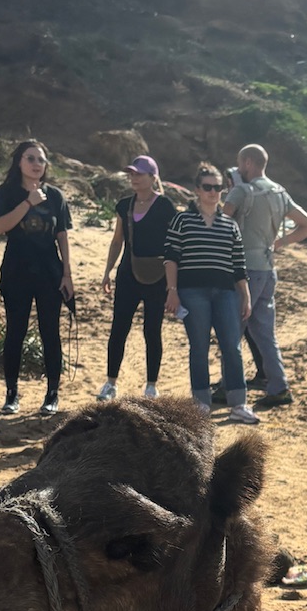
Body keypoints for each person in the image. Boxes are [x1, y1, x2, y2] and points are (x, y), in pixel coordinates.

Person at [223, 142, 307, 409]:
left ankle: (229, 385)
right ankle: (279, 387)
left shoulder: (241, 191)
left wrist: (233, 192)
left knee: (232, 331)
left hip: (243, 270)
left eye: (241, 163)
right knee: (264, 333)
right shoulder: (280, 191)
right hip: (267, 267)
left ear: (248, 163)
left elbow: (220, 223)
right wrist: (280, 243)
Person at [162, 168, 258, 423]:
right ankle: (200, 404)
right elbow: (171, 258)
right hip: (192, 292)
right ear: (197, 190)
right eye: (208, 187)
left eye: (218, 188)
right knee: (199, 347)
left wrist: (245, 296)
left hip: (226, 293)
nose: (213, 192)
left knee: (232, 348)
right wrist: (172, 292)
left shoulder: (230, 225)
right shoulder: (182, 221)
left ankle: (239, 403)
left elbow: (239, 265)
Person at [0, 140, 74, 417]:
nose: (37, 164)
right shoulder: (7, 193)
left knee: (51, 332)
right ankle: (11, 394)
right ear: (19, 162)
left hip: (49, 272)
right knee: (15, 332)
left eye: (41, 159)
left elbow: (62, 235)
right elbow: (0, 226)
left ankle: (52, 395)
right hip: (16, 271)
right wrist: (28, 203)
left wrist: (68, 274)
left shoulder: (56, 196)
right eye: (31, 158)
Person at [96, 155, 175, 401]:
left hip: (157, 276)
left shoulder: (164, 206)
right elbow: (117, 240)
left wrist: (174, 283)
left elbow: (173, 244)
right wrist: (107, 271)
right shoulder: (124, 205)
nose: (134, 178)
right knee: (119, 328)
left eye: (139, 174)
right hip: (127, 273)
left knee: (152, 330)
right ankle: (110, 384)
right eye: (131, 174)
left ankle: (151, 386)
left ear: (153, 177)